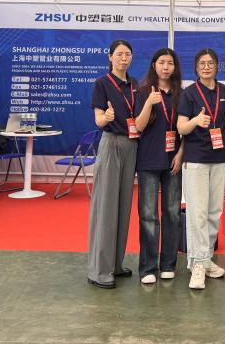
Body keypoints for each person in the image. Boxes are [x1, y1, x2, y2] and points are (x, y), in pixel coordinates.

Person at [177, 48, 225, 290]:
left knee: (213, 212)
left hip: (219, 158)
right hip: (196, 159)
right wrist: (196, 121)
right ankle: (197, 264)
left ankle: (205, 259)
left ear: (217, 66)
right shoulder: (188, 93)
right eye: (202, 64)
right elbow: (181, 128)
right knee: (197, 213)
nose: (206, 67)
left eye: (210, 63)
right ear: (196, 67)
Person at [87, 39, 139, 289]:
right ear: (110, 57)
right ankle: (99, 270)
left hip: (132, 145)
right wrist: (105, 117)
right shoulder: (102, 84)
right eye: (119, 54)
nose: (123, 58)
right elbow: (98, 119)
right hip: (111, 143)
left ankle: (115, 264)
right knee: (106, 207)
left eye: (127, 54)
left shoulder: (135, 85)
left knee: (123, 206)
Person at [134, 48, 185, 284]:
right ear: (154, 65)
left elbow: (185, 130)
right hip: (148, 161)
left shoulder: (181, 94)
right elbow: (138, 126)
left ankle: (168, 264)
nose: (166, 67)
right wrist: (148, 104)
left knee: (172, 213)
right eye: (161, 62)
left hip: (173, 161)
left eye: (170, 63)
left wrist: (181, 154)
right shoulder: (143, 91)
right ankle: (148, 267)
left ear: (175, 67)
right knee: (148, 215)